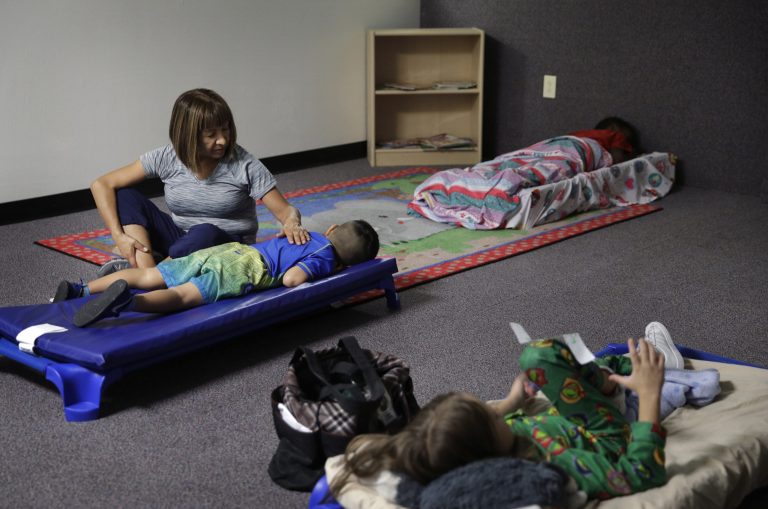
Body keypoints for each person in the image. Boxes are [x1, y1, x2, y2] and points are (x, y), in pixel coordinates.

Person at [330, 332, 673, 501]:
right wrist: (649, 395)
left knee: (536, 356)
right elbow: (640, 473)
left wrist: (510, 403)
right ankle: (641, 375)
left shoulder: (445, 447)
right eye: (493, 416)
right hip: (603, 434)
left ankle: (609, 382)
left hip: (556, 420)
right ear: (490, 447)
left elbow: (350, 461)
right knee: (552, 361)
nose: (496, 410)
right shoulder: (558, 467)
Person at [90, 88, 309, 277]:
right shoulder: (167, 157)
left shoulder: (244, 164)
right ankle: (146, 266)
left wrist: (291, 223)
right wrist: (119, 237)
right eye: (211, 134)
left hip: (228, 245)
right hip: (181, 239)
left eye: (225, 129)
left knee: (204, 232)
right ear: (188, 135)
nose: (222, 140)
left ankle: (149, 276)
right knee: (125, 195)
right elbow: (101, 184)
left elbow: (286, 211)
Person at [53, 220, 379, 327]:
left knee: (151, 277)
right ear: (345, 265)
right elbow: (293, 279)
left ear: (333, 227)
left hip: (229, 251)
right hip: (243, 269)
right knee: (182, 296)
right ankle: (125, 304)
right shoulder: (325, 257)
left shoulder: (305, 233)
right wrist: (320, 276)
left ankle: (81, 289)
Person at [408, 116, 644, 229]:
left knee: (509, 165)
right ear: (613, 131)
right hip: (569, 151)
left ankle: (460, 184)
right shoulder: (602, 139)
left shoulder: (585, 138)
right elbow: (621, 159)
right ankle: (486, 187)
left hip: (558, 149)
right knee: (526, 166)